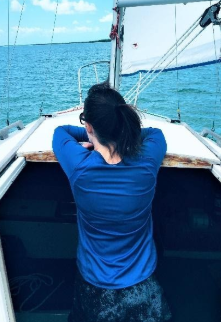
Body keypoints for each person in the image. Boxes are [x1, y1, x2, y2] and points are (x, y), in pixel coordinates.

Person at [52, 82, 172, 322]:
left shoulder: (79, 166)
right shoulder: (146, 164)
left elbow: (60, 132)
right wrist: (115, 133)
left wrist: (88, 138)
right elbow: (155, 134)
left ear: (89, 126)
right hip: (142, 287)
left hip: (95, 288)